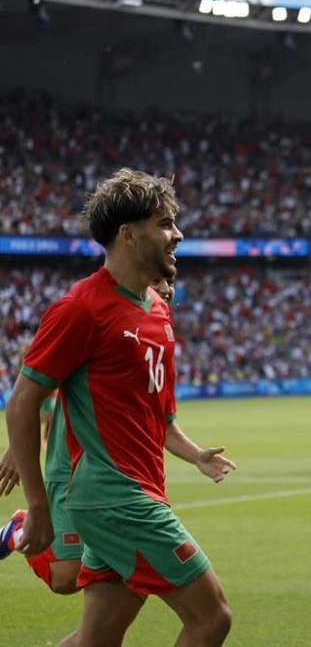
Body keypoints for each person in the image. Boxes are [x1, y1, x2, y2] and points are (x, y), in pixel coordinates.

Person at [4, 168, 233, 645]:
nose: (178, 234)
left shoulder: (157, 308)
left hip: (140, 489)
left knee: (97, 638)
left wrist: (195, 456)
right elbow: (23, 403)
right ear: (128, 235)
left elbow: (160, 416)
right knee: (212, 618)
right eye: (165, 223)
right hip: (115, 498)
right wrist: (38, 507)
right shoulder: (81, 308)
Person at [1, 270, 234, 601]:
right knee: (65, 578)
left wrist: (197, 455)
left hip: (125, 483)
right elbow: (41, 389)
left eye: (169, 283)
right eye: (157, 282)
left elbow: (162, 420)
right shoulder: (96, 313)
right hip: (73, 469)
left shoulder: (158, 332)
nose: (165, 289)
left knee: (95, 619)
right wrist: (16, 446)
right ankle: (18, 530)